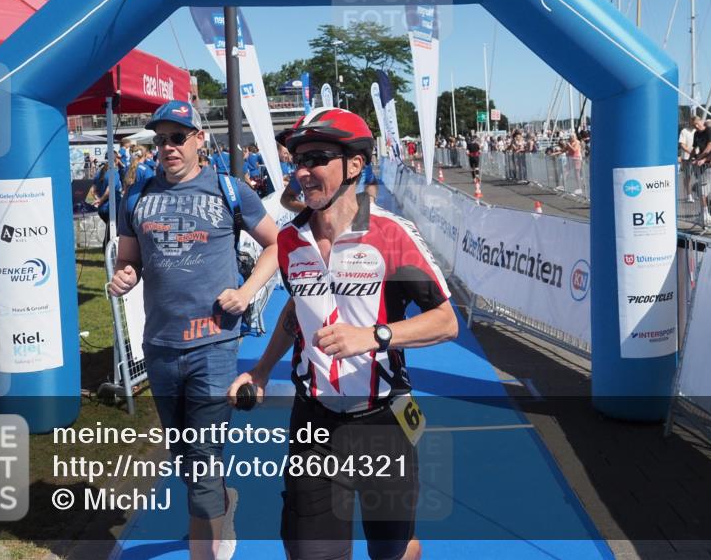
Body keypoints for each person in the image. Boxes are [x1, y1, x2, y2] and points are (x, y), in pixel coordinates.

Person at [227, 108, 458, 560]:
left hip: (382, 423)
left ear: (355, 165)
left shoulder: (390, 235)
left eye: (315, 158)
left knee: (391, 550)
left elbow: (446, 322)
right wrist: (259, 369)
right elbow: (297, 309)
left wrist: (374, 336)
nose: (302, 172)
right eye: (296, 159)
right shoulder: (291, 241)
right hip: (314, 421)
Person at [108, 100, 278, 560]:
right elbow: (129, 261)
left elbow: (277, 245)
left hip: (214, 346)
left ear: (199, 139)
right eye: (160, 139)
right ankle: (221, 503)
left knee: (202, 463)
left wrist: (246, 294)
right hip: (161, 347)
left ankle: (206, 543)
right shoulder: (136, 197)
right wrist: (124, 276)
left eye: (177, 137)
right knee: (184, 458)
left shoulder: (230, 189)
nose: (167, 147)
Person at [691, 117, 711, 230]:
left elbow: (710, 147)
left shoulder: (709, 130)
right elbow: (695, 148)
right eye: (694, 125)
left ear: (701, 122)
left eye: (697, 124)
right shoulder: (696, 134)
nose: (696, 127)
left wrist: (701, 158)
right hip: (701, 164)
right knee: (704, 190)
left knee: (701, 188)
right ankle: (707, 213)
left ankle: (706, 215)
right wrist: (690, 159)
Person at [678, 118, 696, 203]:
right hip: (686, 158)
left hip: (698, 157)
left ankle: (699, 193)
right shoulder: (684, 131)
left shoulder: (698, 131)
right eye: (695, 123)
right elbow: (682, 144)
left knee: (700, 176)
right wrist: (691, 153)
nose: (696, 124)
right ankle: (689, 195)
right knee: (687, 176)